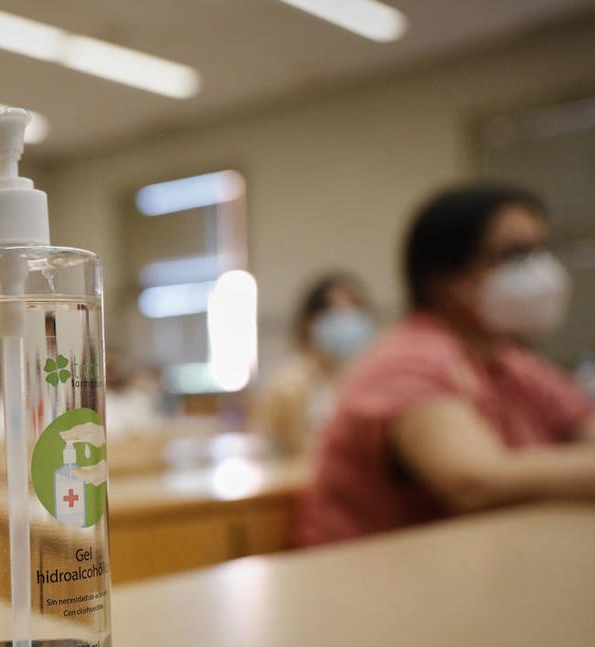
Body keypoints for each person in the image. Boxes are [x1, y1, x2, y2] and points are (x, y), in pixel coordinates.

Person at [297, 183, 595, 546]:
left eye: (540, 251)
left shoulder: (509, 360)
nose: (539, 271)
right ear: (448, 275)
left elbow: (583, 427)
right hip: (370, 584)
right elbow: (475, 481)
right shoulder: (406, 362)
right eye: (515, 255)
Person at [253, 273, 376, 457]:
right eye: (338, 311)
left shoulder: (350, 378)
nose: (348, 320)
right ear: (309, 322)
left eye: (355, 309)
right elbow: (301, 455)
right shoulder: (289, 385)